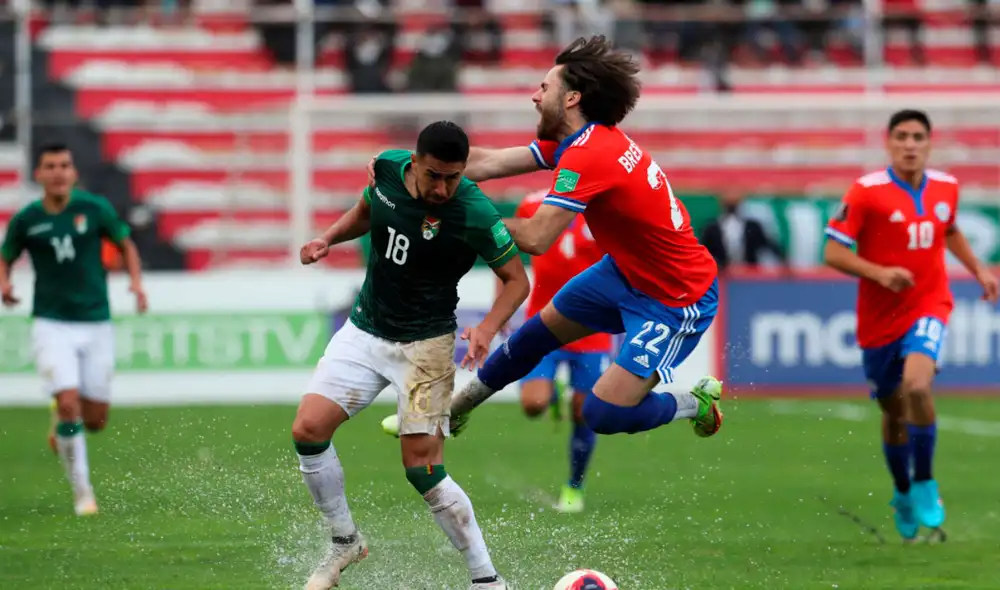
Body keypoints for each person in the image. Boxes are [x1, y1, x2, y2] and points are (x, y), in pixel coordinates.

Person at [441, 35, 724, 442]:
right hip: (623, 273)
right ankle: (454, 410)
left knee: (602, 413)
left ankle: (693, 404)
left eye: (544, 88)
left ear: (571, 99)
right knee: (533, 336)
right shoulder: (578, 142)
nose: (535, 97)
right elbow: (489, 162)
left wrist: (454, 218)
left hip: (676, 297)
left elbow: (537, 237)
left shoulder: (590, 154)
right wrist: (413, 166)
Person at [293, 121, 529, 590]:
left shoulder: (475, 213)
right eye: (435, 175)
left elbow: (517, 280)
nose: (443, 187)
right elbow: (367, 209)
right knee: (308, 430)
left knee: (422, 470)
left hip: (426, 347)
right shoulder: (386, 167)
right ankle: (345, 541)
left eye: (454, 177)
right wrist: (329, 238)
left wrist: (485, 327)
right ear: (415, 162)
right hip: (364, 330)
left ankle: (486, 580)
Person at [824, 109, 998, 542]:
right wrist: (879, 272)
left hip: (929, 302)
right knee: (893, 411)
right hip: (880, 319)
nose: (910, 144)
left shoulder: (947, 187)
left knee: (918, 386)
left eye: (918, 137)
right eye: (901, 136)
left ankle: (925, 481)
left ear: (929, 143)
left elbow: (949, 229)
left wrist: (978, 269)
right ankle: (902, 491)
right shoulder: (866, 192)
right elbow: (833, 252)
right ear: (889, 142)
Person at [0, 143, 148, 517]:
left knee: (94, 418)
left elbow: (124, 243)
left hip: (95, 322)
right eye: (50, 166)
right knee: (69, 404)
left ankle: (63, 420)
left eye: (64, 165)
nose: (58, 172)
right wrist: (5, 284)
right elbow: (6, 256)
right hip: (51, 323)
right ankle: (83, 494)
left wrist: (136, 283)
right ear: (39, 174)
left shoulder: (94, 208)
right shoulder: (27, 218)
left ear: (73, 172)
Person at [510, 189, 610, 513]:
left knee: (586, 412)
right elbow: (509, 255)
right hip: (544, 320)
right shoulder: (531, 203)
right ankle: (553, 394)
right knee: (532, 404)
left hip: (591, 327)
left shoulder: (602, 207)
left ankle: (574, 486)